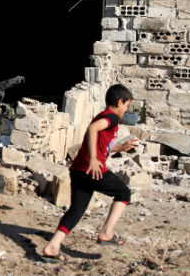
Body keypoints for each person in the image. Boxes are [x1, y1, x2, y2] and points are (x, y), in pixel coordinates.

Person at [41, 84, 139, 263]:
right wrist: (94, 159)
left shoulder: (105, 116)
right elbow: (93, 129)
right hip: (92, 169)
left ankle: (52, 246)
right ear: (120, 102)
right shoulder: (111, 117)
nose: (126, 110)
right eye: (127, 105)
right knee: (124, 193)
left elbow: (103, 144)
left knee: (77, 208)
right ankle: (107, 233)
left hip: (78, 170)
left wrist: (121, 147)